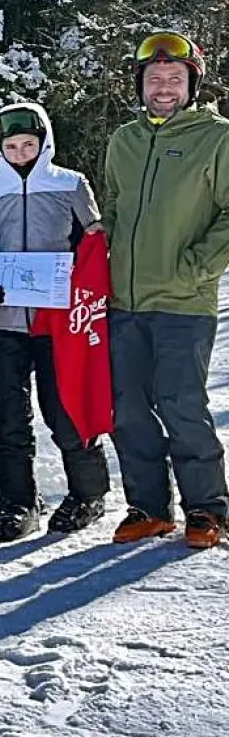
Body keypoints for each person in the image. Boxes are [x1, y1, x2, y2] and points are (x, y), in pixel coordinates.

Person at [105, 31, 229, 548]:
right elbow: (112, 207)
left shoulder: (217, 137)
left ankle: (207, 508)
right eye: (154, 79)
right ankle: (148, 507)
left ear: (191, 83)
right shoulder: (124, 142)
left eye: (174, 79)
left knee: (181, 403)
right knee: (128, 408)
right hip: (123, 301)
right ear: (141, 84)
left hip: (182, 302)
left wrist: (197, 267)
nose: (163, 87)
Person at [0, 102, 109, 541]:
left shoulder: (70, 184)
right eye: (11, 146)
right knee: (10, 416)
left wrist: (82, 285)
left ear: (45, 140)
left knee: (63, 407)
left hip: (58, 322)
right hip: (3, 322)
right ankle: (16, 503)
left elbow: (93, 242)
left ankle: (88, 492)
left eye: (29, 144)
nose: (20, 153)